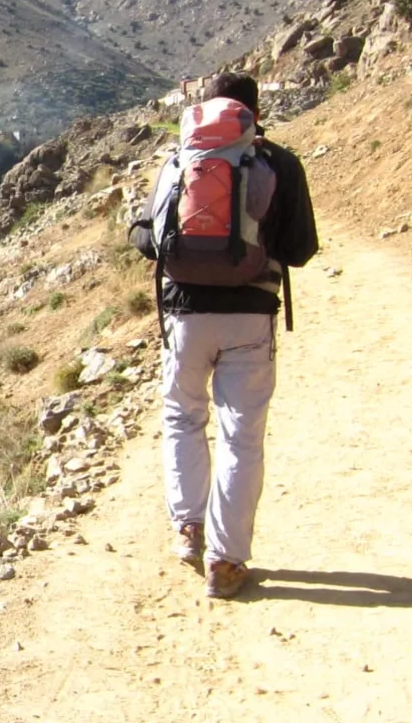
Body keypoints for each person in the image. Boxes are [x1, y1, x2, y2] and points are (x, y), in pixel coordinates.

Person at [131, 73, 319, 599]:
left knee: (182, 419)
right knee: (242, 436)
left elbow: (147, 240)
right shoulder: (279, 163)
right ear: (255, 114)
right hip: (250, 317)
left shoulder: (179, 161)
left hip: (184, 315)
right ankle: (226, 561)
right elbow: (302, 248)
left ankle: (188, 528)